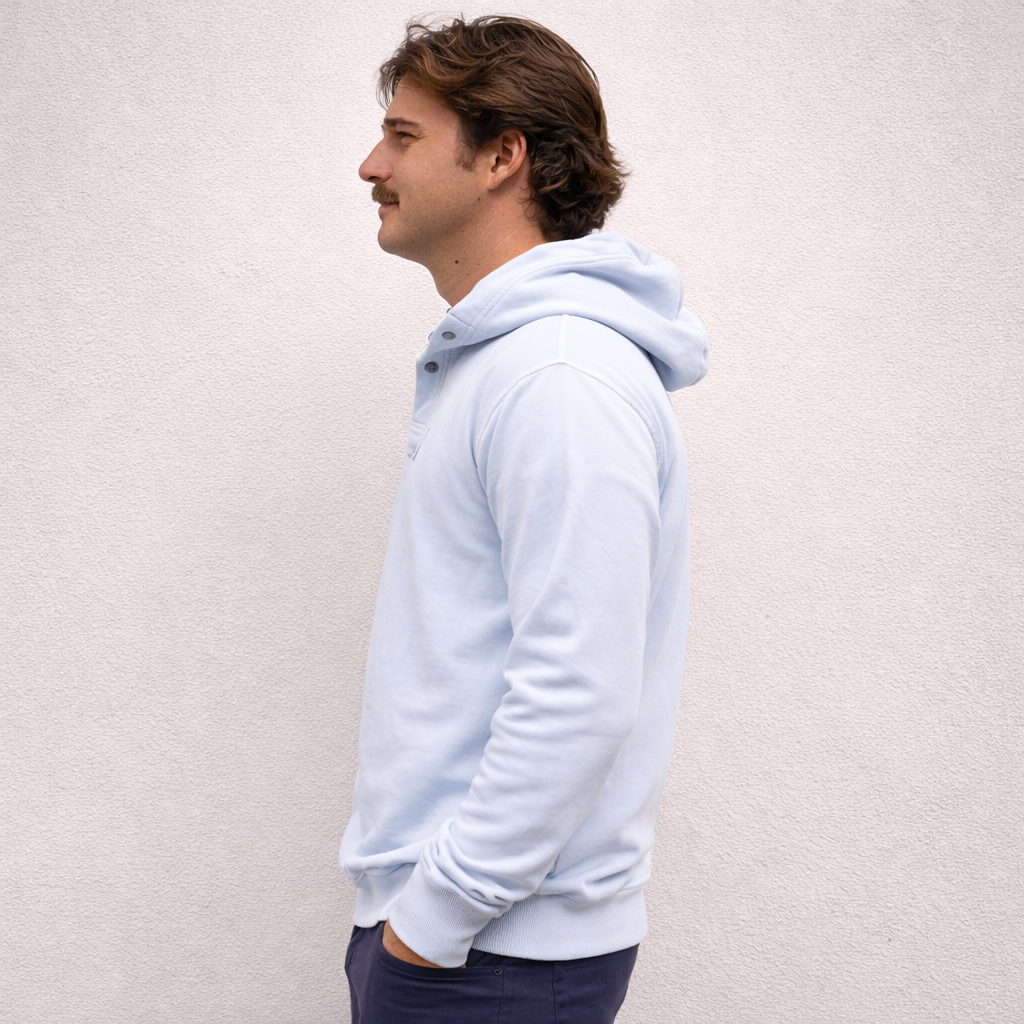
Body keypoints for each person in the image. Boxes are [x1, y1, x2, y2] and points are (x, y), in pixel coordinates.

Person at [340, 16, 707, 1024]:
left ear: (503, 157)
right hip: (469, 944)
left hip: (488, 953)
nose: (371, 165)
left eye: (404, 136)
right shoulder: (509, 363)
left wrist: (433, 920)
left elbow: (579, 689)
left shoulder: (558, 377)